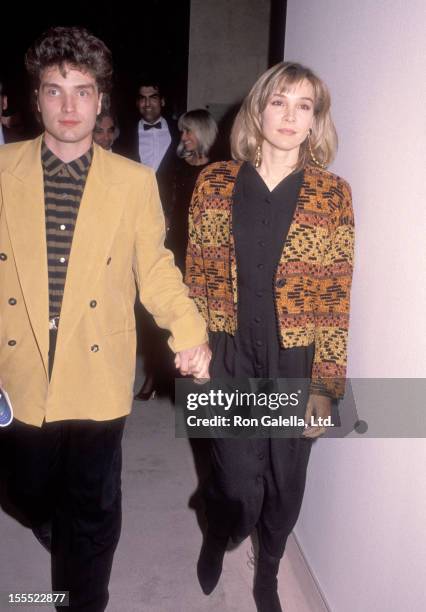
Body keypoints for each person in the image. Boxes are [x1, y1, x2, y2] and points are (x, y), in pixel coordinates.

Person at [0, 26, 210, 612]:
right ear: (35, 97)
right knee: (25, 492)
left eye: (82, 91)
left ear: (100, 100)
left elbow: (157, 268)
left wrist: (188, 330)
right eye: (54, 90)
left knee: (91, 515)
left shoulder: (133, 182)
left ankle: (80, 599)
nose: (69, 106)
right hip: (17, 371)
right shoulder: (2, 170)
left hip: (96, 370)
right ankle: (45, 521)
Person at [185, 62, 355, 612]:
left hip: (294, 358)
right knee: (234, 480)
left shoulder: (332, 195)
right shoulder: (213, 182)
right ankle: (218, 528)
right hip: (229, 350)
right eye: (279, 101)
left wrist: (326, 387)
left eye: (303, 105)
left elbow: (334, 296)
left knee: (285, 484)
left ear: (315, 121)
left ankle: (269, 572)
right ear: (258, 109)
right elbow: (196, 274)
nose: (289, 115)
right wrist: (194, 344)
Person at [167, 109, 218, 273]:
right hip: (176, 237)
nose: (183, 137)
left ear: (203, 131)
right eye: (182, 131)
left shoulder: (218, 168)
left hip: (204, 243)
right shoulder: (178, 164)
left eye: (188, 131)